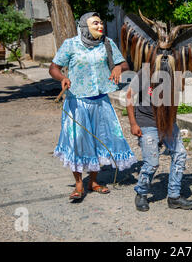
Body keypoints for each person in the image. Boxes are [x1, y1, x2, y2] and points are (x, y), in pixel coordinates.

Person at [49, 12, 136, 200]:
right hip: (77, 102)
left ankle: (93, 181)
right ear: (84, 26)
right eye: (95, 23)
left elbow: (125, 64)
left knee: (99, 140)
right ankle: (79, 184)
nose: (100, 26)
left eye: (101, 23)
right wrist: (63, 78)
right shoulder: (71, 45)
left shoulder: (107, 43)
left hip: (100, 101)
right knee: (78, 142)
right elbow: (53, 68)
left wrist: (118, 67)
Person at [126, 64, 192, 212]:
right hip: (147, 122)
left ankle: (174, 196)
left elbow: (178, 93)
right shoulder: (146, 71)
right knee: (152, 162)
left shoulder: (174, 71)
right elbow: (129, 95)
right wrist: (133, 123)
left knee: (180, 154)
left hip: (167, 122)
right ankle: (141, 193)